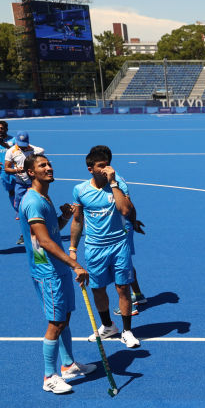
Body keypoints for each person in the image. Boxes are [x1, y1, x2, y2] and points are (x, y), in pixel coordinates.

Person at [17, 152, 96, 393]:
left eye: (49, 164)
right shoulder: (33, 202)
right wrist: (75, 264)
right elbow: (45, 242)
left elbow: (51, 233)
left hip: (56, 268)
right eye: (43, 165)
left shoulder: (44, 198)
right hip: (47, 271)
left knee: (64, 318)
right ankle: (49, 376)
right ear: (31, 172)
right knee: (56, 322)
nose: (49, 168)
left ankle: (68, 365)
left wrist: (63, 217)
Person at [69, 148, 141, 348]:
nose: (106, 169)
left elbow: (125, 210)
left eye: (107, 164)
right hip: (94, 247)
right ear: (90, 168)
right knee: (98, 289)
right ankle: (108, 326)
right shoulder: (80, 190)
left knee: (123, 288)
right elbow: (77, 220)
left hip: (119, 244)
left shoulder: (118, 184)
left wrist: (114, 183)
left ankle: (127, 331)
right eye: (101, 166)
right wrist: (73, 247)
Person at [87, 145, 147, 317]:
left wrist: (133, 222)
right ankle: (138, 294)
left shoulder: (116, 181)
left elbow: (129, 205)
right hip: (123, 227)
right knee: (126, 263)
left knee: (122, 266)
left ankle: (130, 304)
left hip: (120, 229)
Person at [4, 131, 45, 225]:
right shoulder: (10, 151)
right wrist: (16, 170)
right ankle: (21, 217)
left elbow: (42, 150)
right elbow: (6, 168)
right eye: (21, 144)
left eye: (25, 144)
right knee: (19, 201)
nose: (23, 147)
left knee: (39, 202)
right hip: (20, 182)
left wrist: (31, 149)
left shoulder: (33, 149)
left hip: (34, 182)